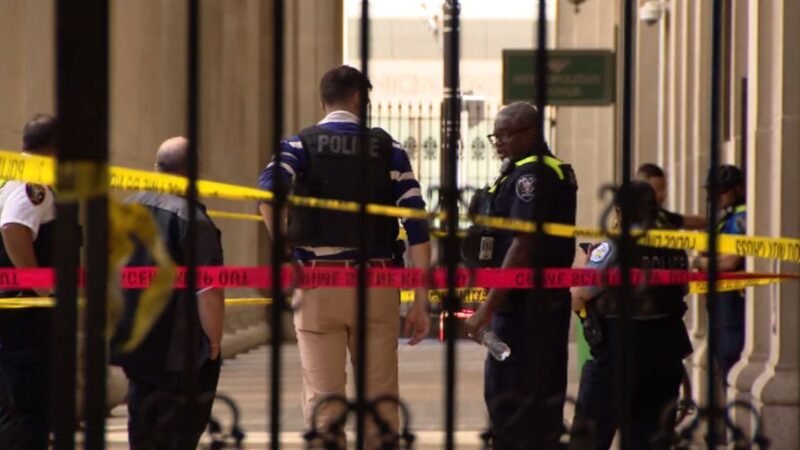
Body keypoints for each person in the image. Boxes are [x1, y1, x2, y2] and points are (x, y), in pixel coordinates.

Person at [257, 65, 431, 447]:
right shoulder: (389, 149)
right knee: (380, 396)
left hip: (319, 282)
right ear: (357, 98)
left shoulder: (298, 145)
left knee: (324, 399)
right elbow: (417, 226)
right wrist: (421, 300)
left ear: (324, 100)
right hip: (377, 282)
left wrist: (285, 246)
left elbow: (268, 194)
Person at [463, 102, 578, 448]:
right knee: (527, 398)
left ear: (530, 132)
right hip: (528, 304)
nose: (498, 142)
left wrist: (487, 309)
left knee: (513, 399)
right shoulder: (526, 171)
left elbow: (523, 245)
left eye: (505, 134)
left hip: (528, 307)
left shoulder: (533, 176)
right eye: (495, 135)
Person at [110, 137, 225, 450]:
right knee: (179, 432)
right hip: (179, 349)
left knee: (142, 427)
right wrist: (214, 342)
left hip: (136, 343)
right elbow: (208, 289)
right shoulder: (193, 220)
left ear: (155, 168)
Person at [569, 181, 693, 450]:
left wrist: (583, 263)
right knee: (650, 438)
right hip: (665, 352)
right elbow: (682, 290)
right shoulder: (675, 249)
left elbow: (579, 295)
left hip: (619, 352)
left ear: (619, 211)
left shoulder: (614, 247)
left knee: (590, 435)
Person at [0, 114, 58, 450]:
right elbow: (13, 227)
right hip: (26, 317)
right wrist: (40, 284)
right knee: (29, 412)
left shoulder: (9, 178)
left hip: (13, 313)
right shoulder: (34, 183)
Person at [690, 164, 746, 378]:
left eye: (722, 190)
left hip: (732, 299)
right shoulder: (723, 217)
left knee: (730, 354)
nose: (717, 196)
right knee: (722, 355)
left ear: (737, 189)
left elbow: (731, 260)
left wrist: (699, 262)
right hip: (719, 300)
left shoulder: (741, 217)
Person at [636, 163, 707, 230]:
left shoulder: (660, 216)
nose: (663, 195)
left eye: (663, 189)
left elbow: (688, 222)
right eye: (657, 190)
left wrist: (711, 222)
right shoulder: (631, 218)